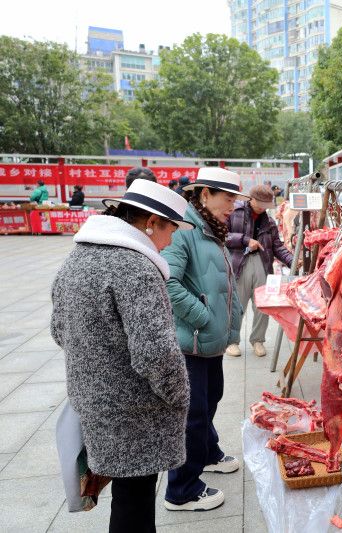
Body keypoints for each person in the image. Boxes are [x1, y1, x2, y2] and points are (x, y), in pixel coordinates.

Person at [51, 179, 193, 532]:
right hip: (135, 411)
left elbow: (58, 329)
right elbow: (155, 354)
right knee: (136, 500)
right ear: (150, 222)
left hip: (96, 401)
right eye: (171, 229)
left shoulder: (78, 257)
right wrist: (180, 395)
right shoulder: (137, 268)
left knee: (129, 496)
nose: (171, 240)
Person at [161, 167, 245, 512]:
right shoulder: (184, 231)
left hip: (210, 338)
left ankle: (208, 452)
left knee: (211, 399)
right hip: (192, 340)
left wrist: (231, 325)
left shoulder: (212, 228)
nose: (233, 207)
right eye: (227, 199)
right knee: (193, 414)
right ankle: (181, 490)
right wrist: (203, 317)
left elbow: (223, 283)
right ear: (205, 194)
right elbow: (167, 282)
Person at [224, 184, 293, 358]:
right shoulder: (234, 212)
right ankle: (232, 341)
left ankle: (258, 340)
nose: (262, 208)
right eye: (260, 203)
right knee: (237, 304)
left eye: (266, 205)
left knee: (262, 305)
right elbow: (222, 236)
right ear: (251, 199)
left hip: (263, 263)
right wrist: (245, 240)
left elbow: (277, 246)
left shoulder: (269, 221)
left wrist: (292, 261)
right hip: (239, 262)